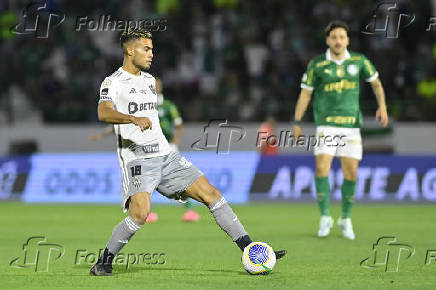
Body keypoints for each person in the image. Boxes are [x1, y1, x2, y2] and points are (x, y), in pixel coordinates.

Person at [90, 27, 286, 276]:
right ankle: (103, 262)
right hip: (138, 159)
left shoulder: (150, 82)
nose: (152, 54)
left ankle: (251, 250)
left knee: (211, 193)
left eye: (152, 49)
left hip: (166, 155)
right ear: (130, 50)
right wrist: (131, 119)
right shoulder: (113, 82)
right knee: (140, 214)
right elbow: (103, 112)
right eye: (146, 49)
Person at [292, 21, 388, 240]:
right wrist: (297, 122)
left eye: (342, 37)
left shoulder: (359, 61)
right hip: (326, 125)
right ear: (327, 40)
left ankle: (345, 218)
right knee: (321, 169)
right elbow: (305, 94)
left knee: (351, 173)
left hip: (351, 127)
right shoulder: (317, 65)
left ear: (347, 40)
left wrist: (382, 106)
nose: (338, 41)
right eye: (334, 37)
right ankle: (325, 216)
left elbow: (376, 84)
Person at [89, 78, 200, 223]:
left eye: (157, 85)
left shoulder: (168, 106)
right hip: (148, 148)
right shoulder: (142, 105)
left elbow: (179, 125)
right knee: (146, 180)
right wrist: (102, 135)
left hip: (167, 147)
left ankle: (190, 211)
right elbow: (123, 123)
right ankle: (148, 212)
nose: (154, 87)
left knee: (179, 180)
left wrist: (175, 142)